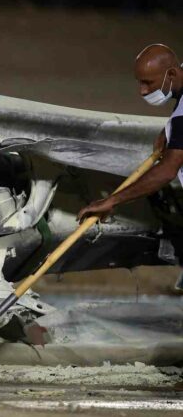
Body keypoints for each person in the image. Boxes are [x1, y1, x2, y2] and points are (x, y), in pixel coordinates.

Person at [77, 44, 183, 290]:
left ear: (172, 75)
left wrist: (112, 200)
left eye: (148, 83)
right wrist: (170, 130)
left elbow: (167, 170)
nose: (142, 91)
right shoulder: (179, 78)